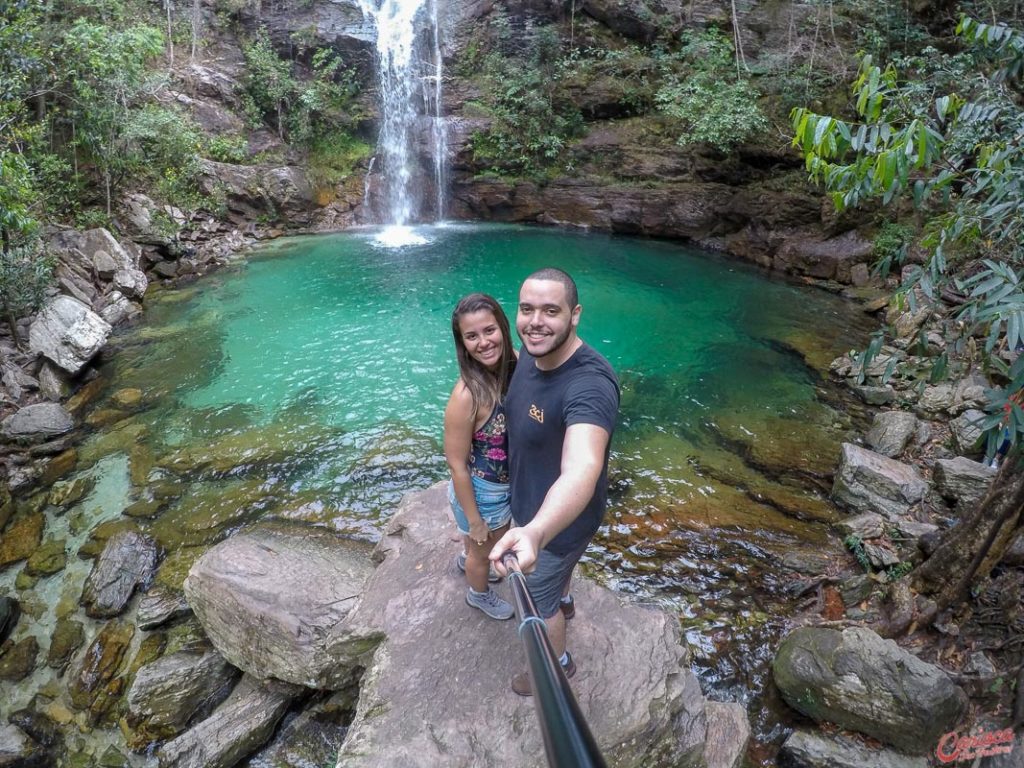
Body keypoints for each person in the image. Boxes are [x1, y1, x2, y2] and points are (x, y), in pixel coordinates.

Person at [489, 268, 619, 696]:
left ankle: (555, 666)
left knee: (537, 604)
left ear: (575, 314)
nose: (535, 321)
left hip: (554, 527)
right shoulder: (530, 351)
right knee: (557, 580)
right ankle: (564, 595)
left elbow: (583, 465)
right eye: (527, 310)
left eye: (551, 311)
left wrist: (536, 532)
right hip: (548, 512)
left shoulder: (589, 385)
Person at [444, 293, 518, 620]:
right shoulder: (466, 395)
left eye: (489, 330)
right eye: (472, 336)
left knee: (476, 548)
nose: (484, 342)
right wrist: (475, 520)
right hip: (482, 493)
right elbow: (456, 464)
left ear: (503, 326)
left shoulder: (516, 363)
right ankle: (478, 594)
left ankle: (469, 558)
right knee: (483, 551)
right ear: (462, 343)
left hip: (495, 488)